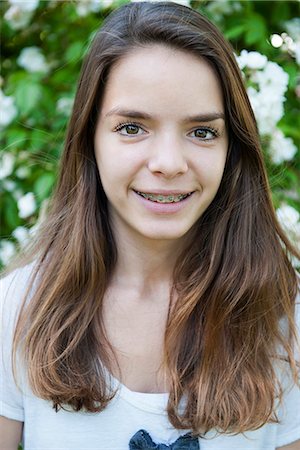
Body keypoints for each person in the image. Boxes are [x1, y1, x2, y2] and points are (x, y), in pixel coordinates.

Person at [1, 1, 299, 449]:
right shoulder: (19, 309)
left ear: (231, 150)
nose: (168, 163)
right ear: (89, 139)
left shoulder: (283, 317)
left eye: (201, 132)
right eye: (132, 127)